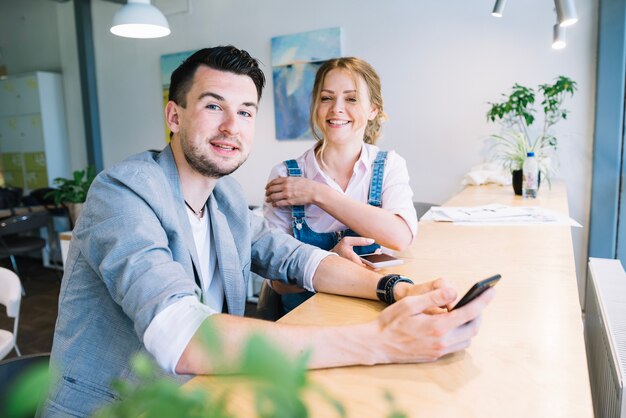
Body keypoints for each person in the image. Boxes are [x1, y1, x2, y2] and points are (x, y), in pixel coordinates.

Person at [41, 46, 494, 417]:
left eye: (245, 111)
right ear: (174, 116)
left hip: (201, 397)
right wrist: (379, 341)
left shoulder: (227, 199)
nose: (230, 126)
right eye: (213, 106)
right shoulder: (122, 192)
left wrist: (397, 288)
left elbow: (298, 260)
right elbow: (180, 334)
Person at [264, 57, 417, 311]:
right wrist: (332, 260)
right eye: (326, 98)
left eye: (351, 98)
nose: (336, 108)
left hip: (371, 311)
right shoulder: (285, 175)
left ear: (373, 110)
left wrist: (317, 193)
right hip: (304, 320)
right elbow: (278, 281)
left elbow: (400, 237)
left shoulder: (390, 164)